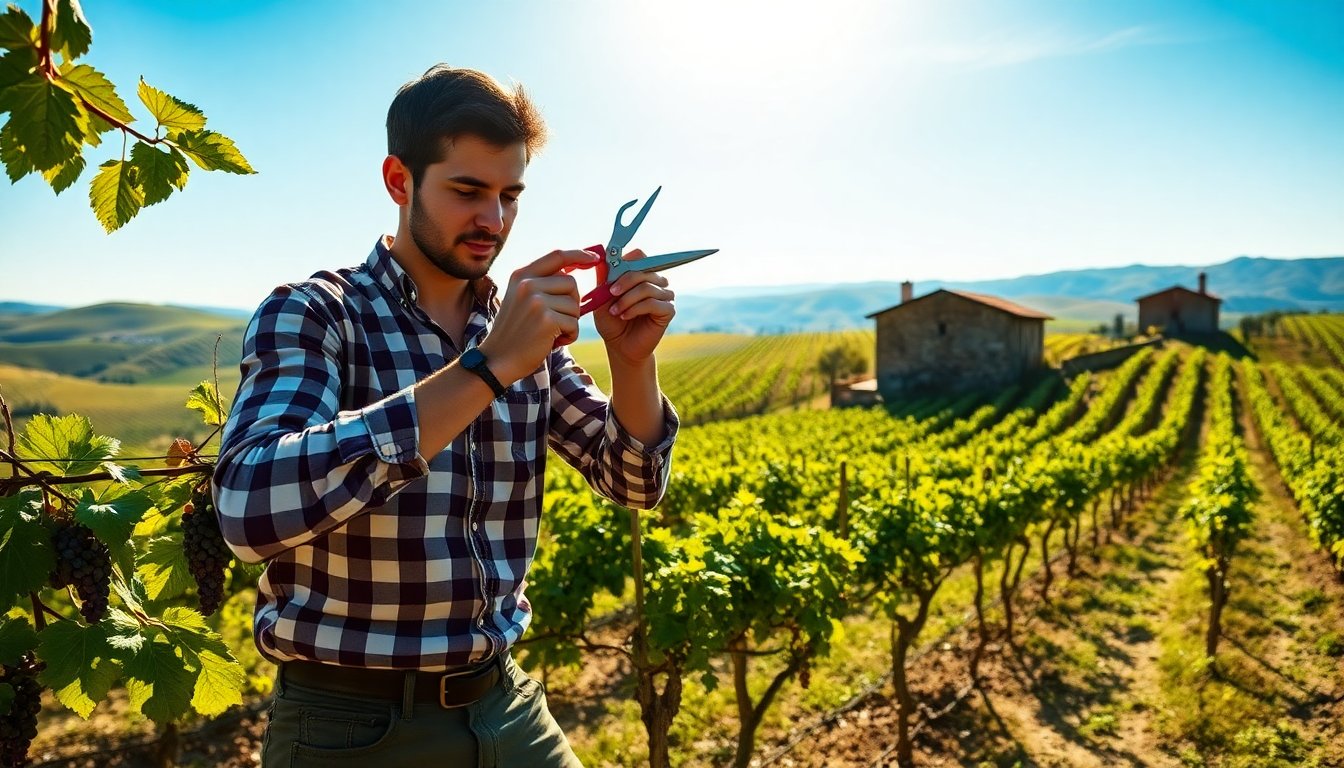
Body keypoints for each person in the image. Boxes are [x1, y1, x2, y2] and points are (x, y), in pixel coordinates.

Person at [212, 64, 680, 767]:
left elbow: (636, 481)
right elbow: (247, 510)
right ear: (400, 182)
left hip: (505, 706)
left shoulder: (520, 332)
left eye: (509, 195)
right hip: (351, 727)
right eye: (467, 191)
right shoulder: (318, 313)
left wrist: (633, 361)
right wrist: (485, 369)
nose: (493, 220)